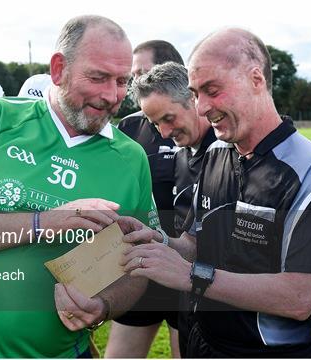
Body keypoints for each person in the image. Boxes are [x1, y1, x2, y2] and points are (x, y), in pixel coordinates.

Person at [0, 15, 157, 358]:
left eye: (121, 81)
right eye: (98, 77)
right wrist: (44, 222)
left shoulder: (131, 158)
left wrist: (103, 305)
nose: (111, 95)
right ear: (58, 69)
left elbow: (138, 264)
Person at [120, 28, 311, 357]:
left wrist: (190, 276)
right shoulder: (215, 155)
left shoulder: (310, 168)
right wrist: (157, 240)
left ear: (256, 79)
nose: (201, 108)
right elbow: (196, 244)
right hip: (205, 343)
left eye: (212, 90)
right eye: (196, 94)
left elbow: (299, 298)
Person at [130, 61, 216, 357]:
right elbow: (189, 243)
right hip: (189, 302)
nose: (164, 133)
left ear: (193, 99)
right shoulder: (181, 156)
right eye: (155, 124)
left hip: (229, 314)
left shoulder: (229, 152)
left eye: (168, 118)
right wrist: (154, 238)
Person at [107, 40, 184, 359]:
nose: (134, 82)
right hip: (139, 267)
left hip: (185, 268)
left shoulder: (200, 126)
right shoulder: (129, 127)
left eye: (141, 72)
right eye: (132, 75)